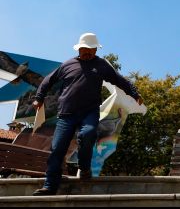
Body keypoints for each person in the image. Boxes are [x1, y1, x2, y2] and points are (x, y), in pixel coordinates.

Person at [31, 33, 143, 196]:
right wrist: (38, 98)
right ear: (79, 49)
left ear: (96, 49)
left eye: (91, 50)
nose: (88, 53)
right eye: (85, 50)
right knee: (57, 149)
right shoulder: (68, 65)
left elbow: (119, 80)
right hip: (66, 114)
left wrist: (134, 92)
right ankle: (49, 186)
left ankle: (84, 167)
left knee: (88, 134)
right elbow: (48, 80)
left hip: (89, 112)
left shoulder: (101, 65)